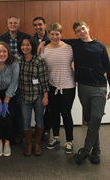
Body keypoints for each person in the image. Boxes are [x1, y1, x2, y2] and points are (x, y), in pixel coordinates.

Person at [38, 21, 110, 165]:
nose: (81, 32)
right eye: (78, 30)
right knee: (87, 119)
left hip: (92, 87)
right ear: (76, 33)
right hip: (78, 86)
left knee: (90, 119)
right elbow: (54, 38)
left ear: (88, 28)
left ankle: (82, 148)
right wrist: (42, 42)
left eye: (83, 29)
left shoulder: (98, 47)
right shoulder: (75, 44)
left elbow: (108, 67)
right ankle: (95, 150)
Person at [41, 23, 76, 154]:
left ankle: (69, 140)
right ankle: (55, 138)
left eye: (57, 34)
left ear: (61, 34)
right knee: (53, 113)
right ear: (48, 34)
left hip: (68, 86)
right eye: (52, 34)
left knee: (66, 113)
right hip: (51, 86)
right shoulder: (43, 49)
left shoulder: (69, 48)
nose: (54, 37)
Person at [15, 34, 49, 156]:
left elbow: (44, 80)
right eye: (23, 45)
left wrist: (45, 96)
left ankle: (37, 144)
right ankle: (29, 145)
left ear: (32, 46)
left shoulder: (39, 60)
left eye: (27, 45)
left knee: (39, 120)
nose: (25, 47)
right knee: (26, 121)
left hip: (38, 95)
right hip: (24, 95)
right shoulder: (17, 59)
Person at [0, 16, 25, 144]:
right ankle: (5, 134)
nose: (13, 25)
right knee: (7, 110)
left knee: (18, 108)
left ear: (18, 24)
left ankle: (18, 134)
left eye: (15, 22)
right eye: (11, 23)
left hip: (21, 77)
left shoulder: (24, 37)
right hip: (5, 77)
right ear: (7, 24)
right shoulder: (1, 37)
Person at [33, 17, 51, 140]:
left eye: (40, 24)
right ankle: (39, 128)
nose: (38, 27)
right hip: (38, 78)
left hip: (52, 77)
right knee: (39, 106)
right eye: (35, 25)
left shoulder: (52, 38)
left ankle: (46, 130)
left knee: (49, 108)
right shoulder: (32, 40)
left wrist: (45, 41)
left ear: (45, 25)